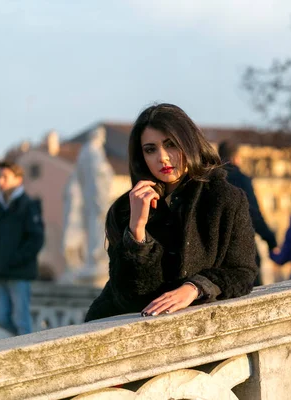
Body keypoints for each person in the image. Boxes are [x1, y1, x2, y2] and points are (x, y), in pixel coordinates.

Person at [84, 104, 257, 321]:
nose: (163, 158)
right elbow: (128, 297)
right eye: (150, 149)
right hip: (121, 334)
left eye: (171, 145)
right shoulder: (125, 208)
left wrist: (195, 287)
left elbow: (242, 272)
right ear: (141, 157)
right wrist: (137, 232)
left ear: (189, 143)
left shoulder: (224, 198)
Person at [0, 161, 44, 336]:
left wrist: (15, 259)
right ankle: (20, 344)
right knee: (0, 317)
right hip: (0, 272)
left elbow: (36, 239)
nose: (0, 181)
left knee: (21, 321)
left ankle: (27, 353)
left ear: (18, 180)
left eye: (5, 177)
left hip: (19, 273)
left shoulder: (28, 205)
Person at [218, 140, 278, 285]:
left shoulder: (212, 179)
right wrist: (270, 240)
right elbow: (253, 214)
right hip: (243, 247)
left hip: (218, 250)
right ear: (236, 157)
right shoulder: (241, 179)